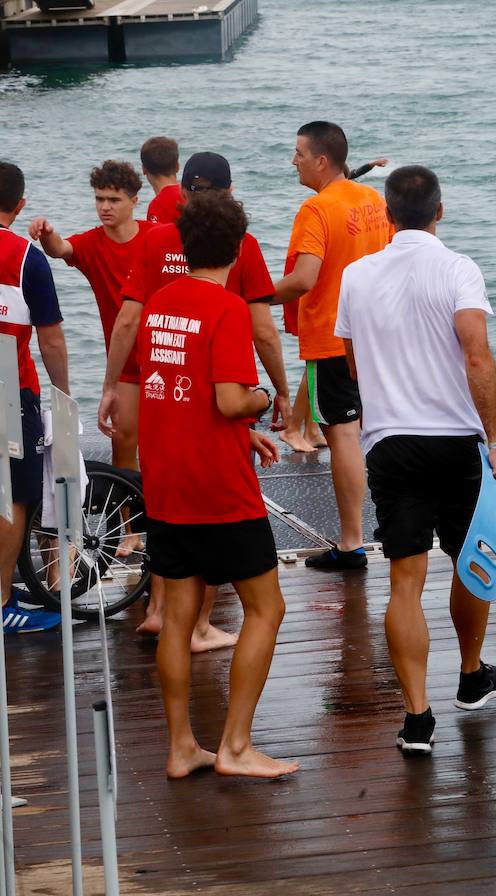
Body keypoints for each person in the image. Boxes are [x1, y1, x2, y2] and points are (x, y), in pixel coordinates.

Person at [335, 165, 496, 755]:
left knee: (404, 582)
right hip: (455, 440)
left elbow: (354, 366)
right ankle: (470, 676)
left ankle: (416, 719)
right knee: (471, 562)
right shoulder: (458, 268)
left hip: (390, 442)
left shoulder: (356, 276)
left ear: (388, 215)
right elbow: (478, 358)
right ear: (441, 210)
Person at [98, 151, 289, 648]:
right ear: (229, 194)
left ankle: (160, 608)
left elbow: (126, 319)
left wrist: (110, 384)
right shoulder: (238, 244)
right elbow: (263, 330)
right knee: (210, 517)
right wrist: (279, 391)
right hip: (220, 390)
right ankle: (199, 626)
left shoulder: (157, 238)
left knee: (168, 506)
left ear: (181, 193)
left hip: (157, 386)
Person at [137, 189, 296, 779]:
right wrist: (262, 401)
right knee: (266, 607)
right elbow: (230, 398)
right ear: (237, 247)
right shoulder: (226, 307)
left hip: (168, 481)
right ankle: (234, 746)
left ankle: (182, 747)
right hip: (220, 490)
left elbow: (182, 393)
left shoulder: (159, 303)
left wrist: (240, 430)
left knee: (178, 616)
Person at [273, 121, 393, 571]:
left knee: (342, 438)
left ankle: (351, 542)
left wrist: (249, 294)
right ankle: (387, 524)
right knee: (371, 432)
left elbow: (304, 279)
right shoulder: (375, 201)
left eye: (298, 153)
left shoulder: (315, 208)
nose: (293, 161)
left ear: (322, 160)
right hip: (375, 334)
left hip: (330, 337)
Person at [28, 160, 147, 477]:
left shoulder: (156, 237)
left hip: (165, 357)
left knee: (165, 447)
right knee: (123, 444)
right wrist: (46, 232)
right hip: (123, 367)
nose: (105, 207)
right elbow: (60, 249)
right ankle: (129, 526)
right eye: (99, 199)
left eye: (114, 200)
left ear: (134, 201)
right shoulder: (92, 243)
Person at [0, 162, 70, 635]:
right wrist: (63, 394)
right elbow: (51, 340)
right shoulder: (26, 256)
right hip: (8, 383)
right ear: (20, 205)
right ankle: (2, 602)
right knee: (13, 497)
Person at [140, 136, 182, 225]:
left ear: (144, 169)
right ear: (178, 166)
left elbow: (157, 238)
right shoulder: (191, 195)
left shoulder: (158, 205)